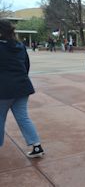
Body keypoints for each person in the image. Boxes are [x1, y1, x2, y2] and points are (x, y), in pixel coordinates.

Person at [0, 19, 44, 158]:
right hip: (22, 87)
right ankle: (36, 145)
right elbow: (26, 65)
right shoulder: (20, 45)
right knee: (23, 117)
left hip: (4, 90)